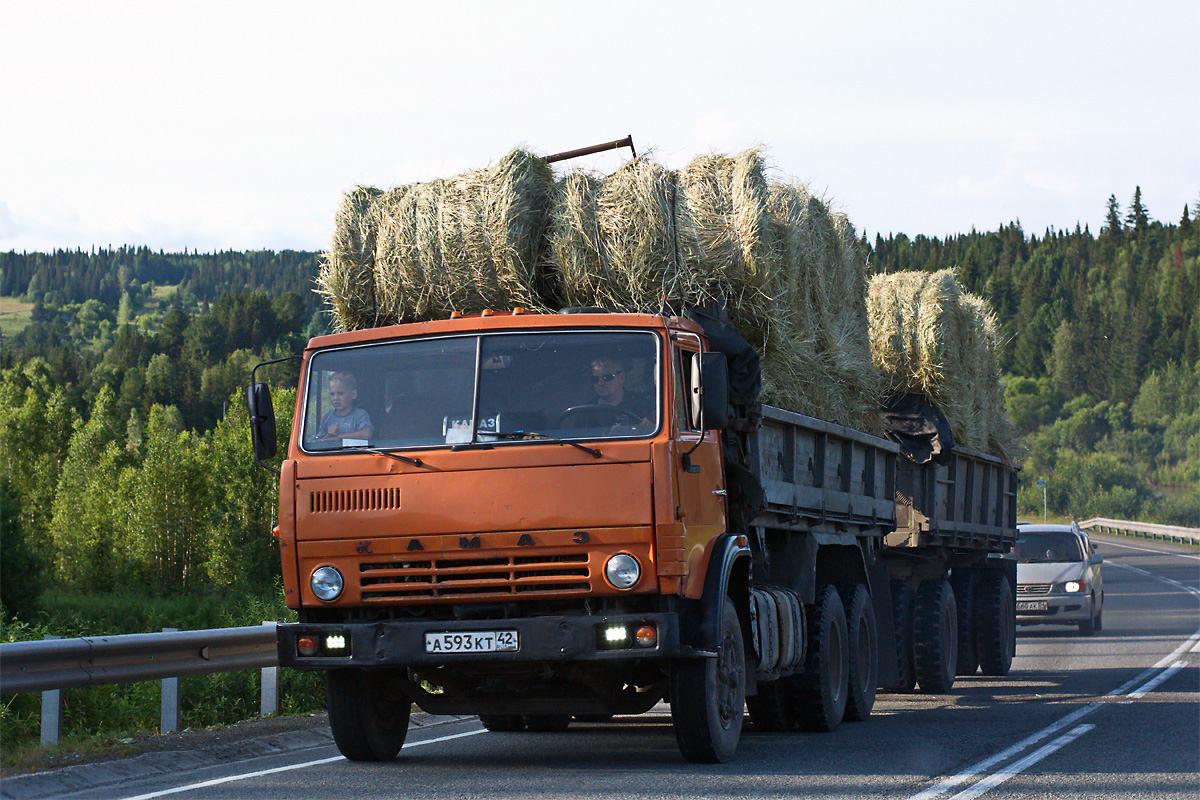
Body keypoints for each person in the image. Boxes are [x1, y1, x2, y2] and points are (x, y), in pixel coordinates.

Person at [589, 357, 652, 424]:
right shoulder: (586, 412)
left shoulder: (644, 404)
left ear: (622, 377)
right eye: (595, 379)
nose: (600, 383)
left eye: (607, 377)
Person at [316, 372, 373, 441]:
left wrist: (340, 437)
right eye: (332, 394)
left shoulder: (360, 414)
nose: (335, 398)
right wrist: (329, 435)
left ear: (353, 394)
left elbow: (367, 434)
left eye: (340, 393)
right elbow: (320, 442)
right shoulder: (327, 417)